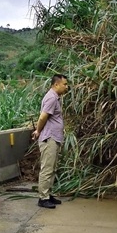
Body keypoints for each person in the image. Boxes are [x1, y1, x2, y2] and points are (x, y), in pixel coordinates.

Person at [31, 74, 69, 209]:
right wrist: (38, 131)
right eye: (64, 84)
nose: (66, 87)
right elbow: (43, 117)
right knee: (47, 168)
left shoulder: (55, 98)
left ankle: (48, 194)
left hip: (54, 137)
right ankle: (43, 197)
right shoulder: (52, 98)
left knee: (52, 168)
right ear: (56, 84)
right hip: (49, 138)